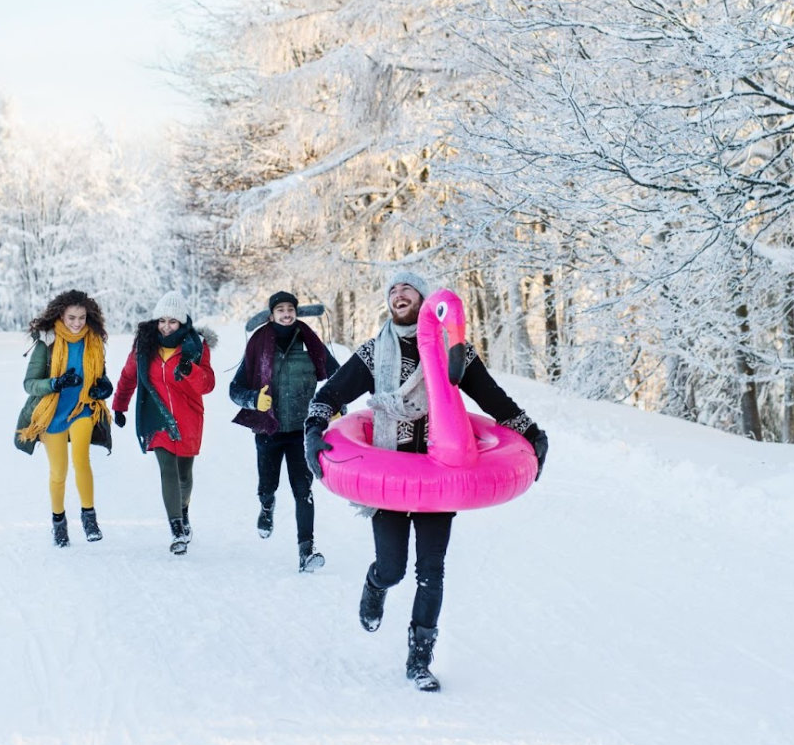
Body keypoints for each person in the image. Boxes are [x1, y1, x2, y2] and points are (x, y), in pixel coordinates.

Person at [303, 270, 550, 692]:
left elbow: (494, 400)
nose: (399, 294)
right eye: (393, 290)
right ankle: (376, 582)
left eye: (408, 289)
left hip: (441, 477)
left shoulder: (455, 352)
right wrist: (313, 429)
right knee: (395, 567)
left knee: (431, 571)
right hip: (389, 478)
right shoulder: (372, 353)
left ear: (422, 299)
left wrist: (532, 433)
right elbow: (330, 395)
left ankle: (420, 659)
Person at [229, 290, 341, 572]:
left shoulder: (309, 342)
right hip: (269, 431)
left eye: (290, 308)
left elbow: (339, 378)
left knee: (303, 491)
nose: (286, 313)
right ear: (272, 315)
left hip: (302, 433)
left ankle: (307, 551)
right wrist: (254, 400)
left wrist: (336, 405)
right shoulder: (258, 343)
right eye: (280, 309)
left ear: (295, 312)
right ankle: (266, 507)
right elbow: (235, 389)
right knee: (268, 485)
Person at [111, 290, 216, 555]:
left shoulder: (196, 346)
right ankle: (177, 529)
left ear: (182, 323)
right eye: (162, 320)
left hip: (189, 416)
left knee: (184, 475)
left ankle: (183, 511)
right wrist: (119, 405)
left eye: (172, 321)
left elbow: (208, 384)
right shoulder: (144, 345)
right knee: (167, 469)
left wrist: (190, 370)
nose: (166, 326)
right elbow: (128, 376)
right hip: (156, 416)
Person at [15, 289, 115, 547]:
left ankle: (89, 517)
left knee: (82, 461)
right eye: (71, 317)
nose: (76, 323)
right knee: (58, 472)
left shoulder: (92, 341)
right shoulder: (46, 343)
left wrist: (104, 387)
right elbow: (29, 384)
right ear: (61, 315)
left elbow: (101, 376)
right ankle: (59, 523)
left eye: (81, 317)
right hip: (52, 414)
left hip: (82, 408)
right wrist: (55, 383)